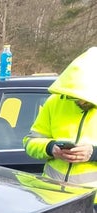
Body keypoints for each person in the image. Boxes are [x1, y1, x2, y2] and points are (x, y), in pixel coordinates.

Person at [24, 47, 97, 187]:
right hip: (51, 194)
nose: (80, 102)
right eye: (75, 97)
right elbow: (29, 142)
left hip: (92, 201)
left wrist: (93, 153)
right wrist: (50, 148)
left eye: (86, 98)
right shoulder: (54, 102)